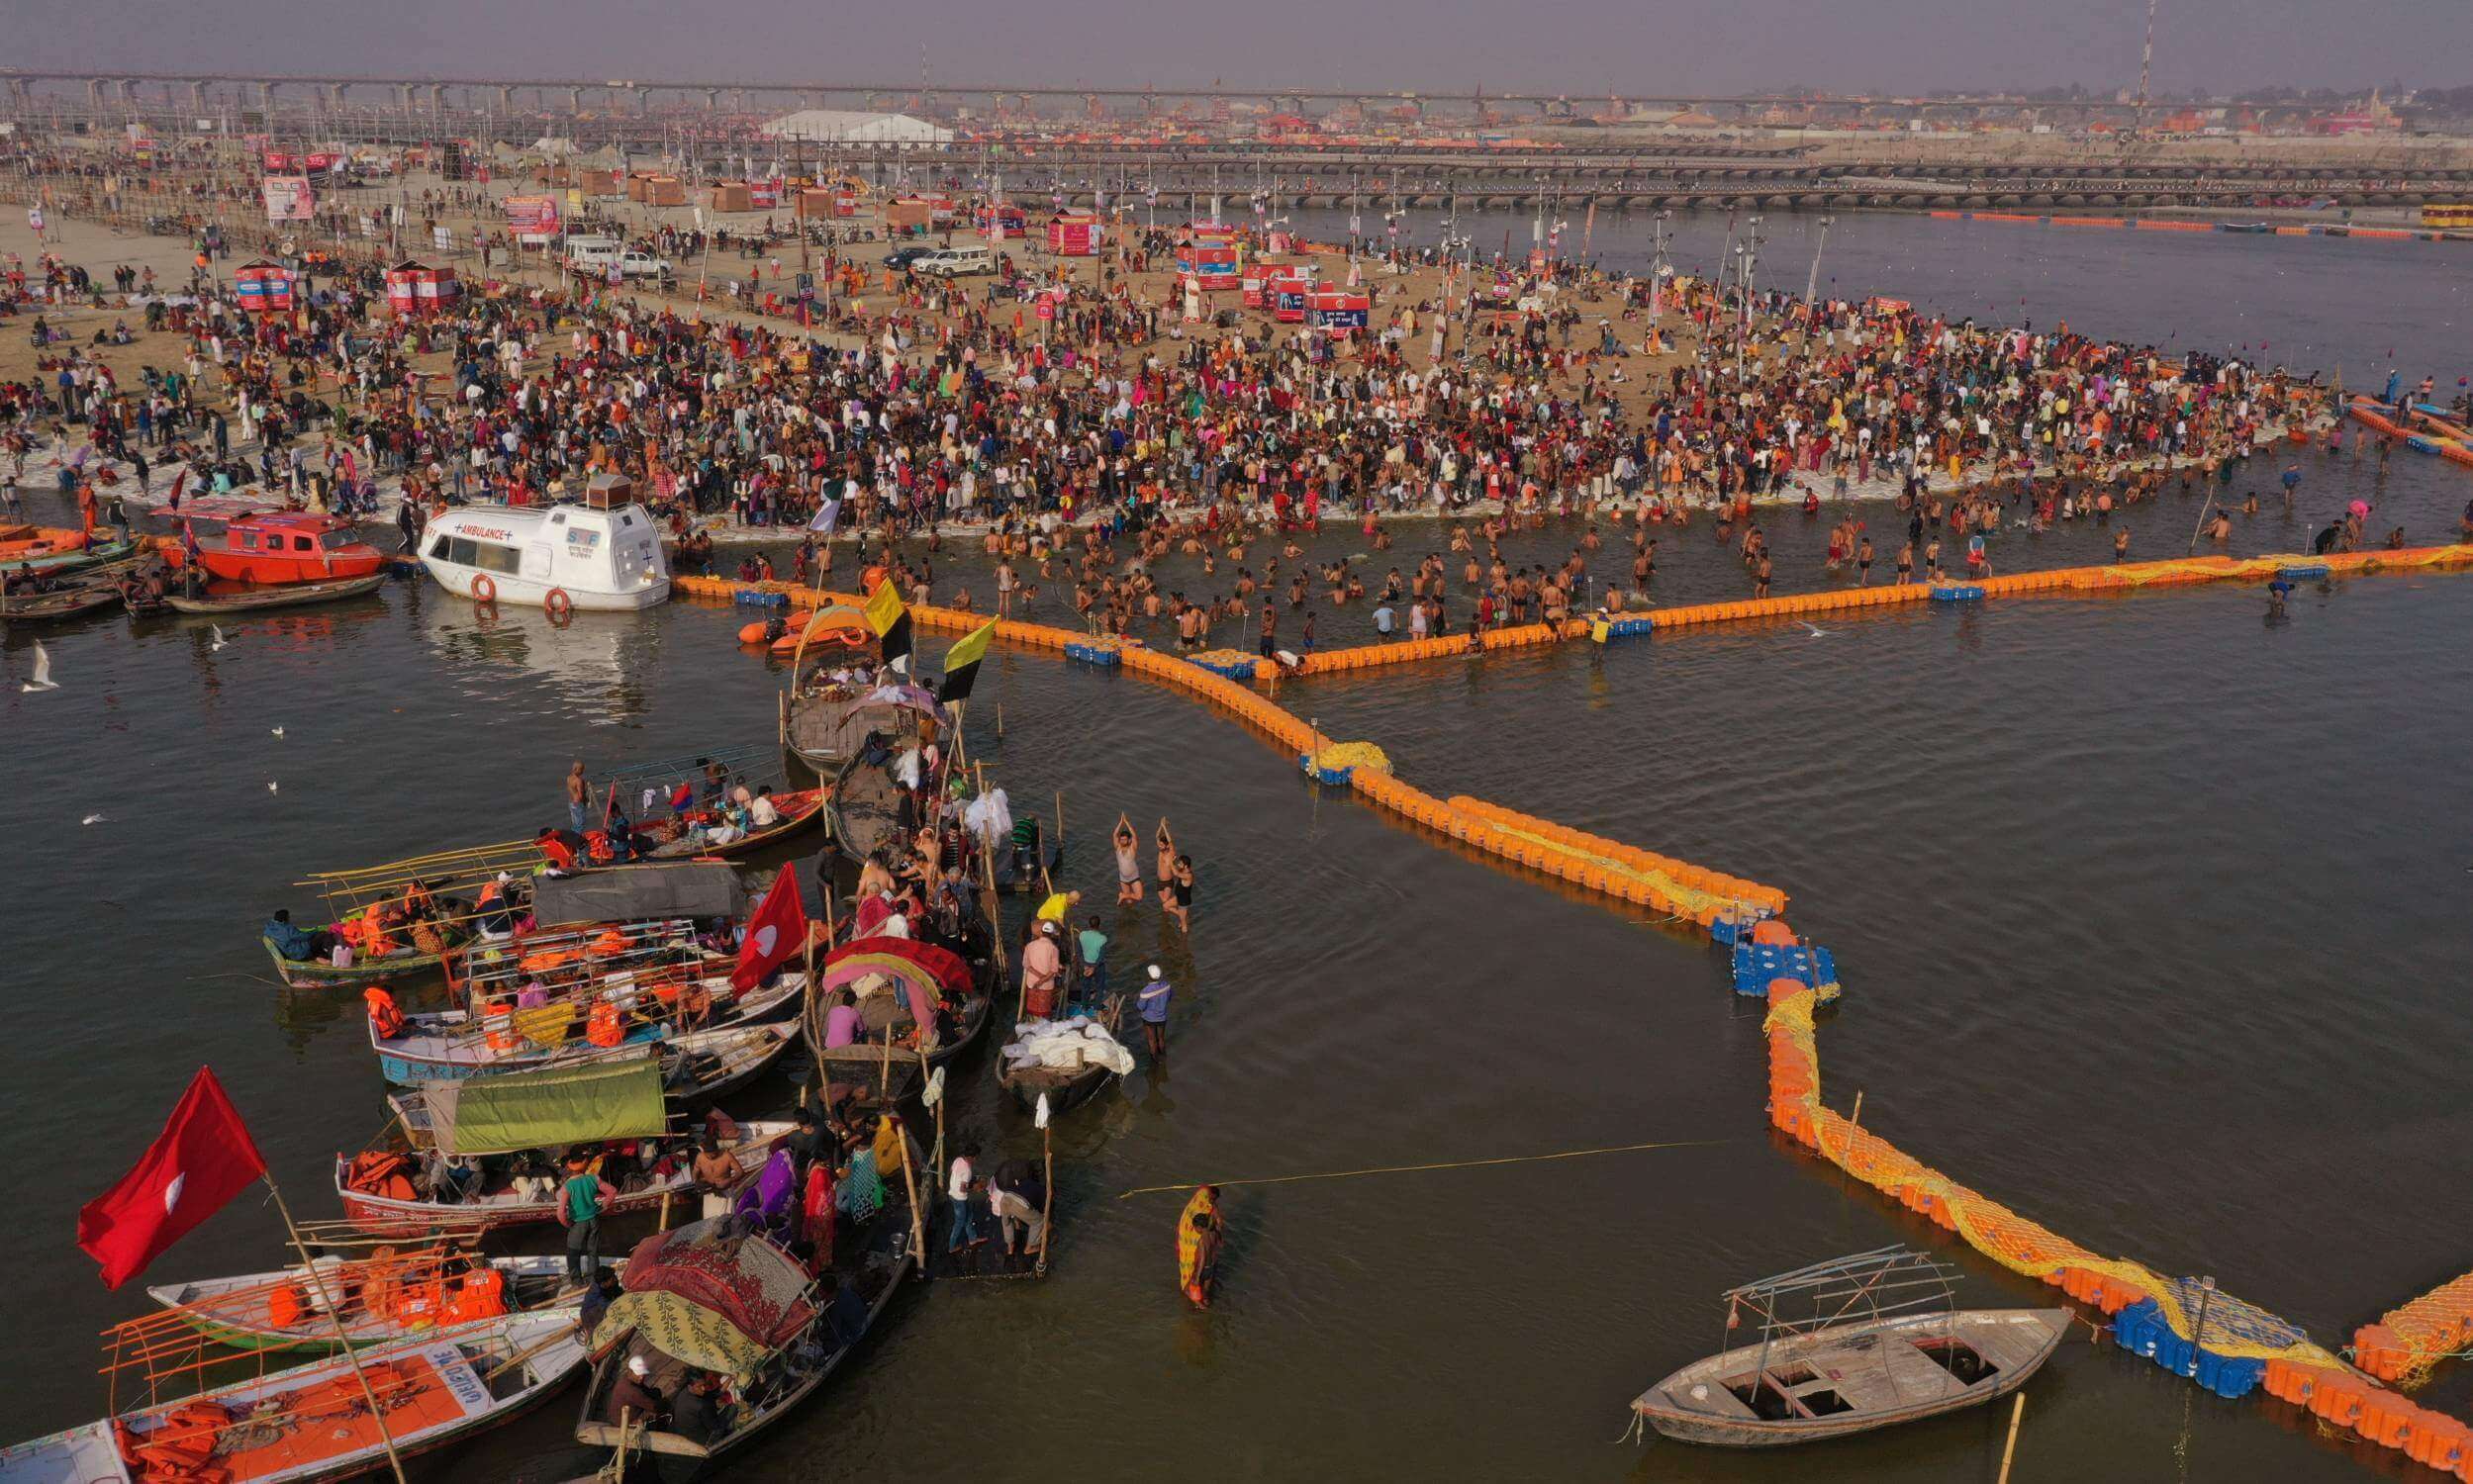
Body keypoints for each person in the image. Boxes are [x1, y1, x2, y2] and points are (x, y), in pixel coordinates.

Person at [559, 1153, 610, 1285]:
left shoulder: (567, 1186)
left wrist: (568, 1224)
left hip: (578, 1223)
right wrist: (602, 1207)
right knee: (592, 1251)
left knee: (573, 1253)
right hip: (594, 1219)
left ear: (569, 1168)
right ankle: (593, 1279)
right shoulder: (593, 1178)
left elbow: (560, 1213)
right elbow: (612, 1191)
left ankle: (577, 1282)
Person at [1177, 1185, 1221, 1305]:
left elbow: (1201, 1259)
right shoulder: (1213, 1234)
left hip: (1203, 1269)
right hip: (1212, 1267)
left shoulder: (1201, 1241)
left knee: (1188, 1290)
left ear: (1199, 1227)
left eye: (1195, 1227)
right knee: (1205, 1292)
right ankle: (1206, 1302)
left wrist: (1196, 1277)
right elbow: (1217, 1247)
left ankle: (1201, 1309)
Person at [946, 1146, 986, 1273]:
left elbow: (953, 1173)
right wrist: (974, 1187)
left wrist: (969, 1182)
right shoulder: (968, 1170)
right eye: (976, 1157)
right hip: (959, 1198)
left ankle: (972, 1239)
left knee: (969, 1216)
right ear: (972, 1157)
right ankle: (951, 1247)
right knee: (959, 1223)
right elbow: (963, 1188)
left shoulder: (958, 1160)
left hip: (952, 1194)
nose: (976, 1159)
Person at [605, 1353, 664, 1428]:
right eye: (638, 1374)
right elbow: (654, 1407)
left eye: (643, 1374)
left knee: (656, 1392)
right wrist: (664, 1403)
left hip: (616, 1417)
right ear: (630, 1371)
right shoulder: (632, 1391)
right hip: (624, 1423)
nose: (641, 1377)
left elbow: (643, 1389)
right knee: (656, 1411)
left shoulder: (625, 1378)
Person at [691, 1136, 740, 1220]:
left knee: (726, 1220)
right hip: (709, 1191)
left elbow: (740, 1172)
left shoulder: (727, 1156)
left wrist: (729, 1180)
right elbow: (695, 1171)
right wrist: (695, 1181)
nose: (711, 1157)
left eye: (713, 1154)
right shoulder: (700, 1157)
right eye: (708, 1155)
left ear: (717, 1150)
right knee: (709, 1220)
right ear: (704, 1152)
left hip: (725, 1192)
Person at [669, 1371, 724, 1445]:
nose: (703, 1388)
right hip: (703, 1440)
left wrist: (730, 1379)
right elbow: (714, 1428)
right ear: (690, 1386)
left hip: (687, 1436)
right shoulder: (700, 1405)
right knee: (732, 1409)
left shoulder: (684, 1392)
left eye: (704, 1385)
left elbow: (713, 1395)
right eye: (699, 1386)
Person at [1137, 964, 1172, 1060]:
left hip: (1149, 1019)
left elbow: (1140, 1006)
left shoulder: (1145, 991)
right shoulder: (1166, 985)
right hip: (1162, 1017)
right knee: (1161, 1038)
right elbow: (1169, 997)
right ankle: (1163, 1056)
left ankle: (1155, 1061)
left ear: (1149, 976)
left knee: (1151, 1040)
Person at [1077, 914, 1109, 1013]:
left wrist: (1084, 965)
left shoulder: (1082, 935)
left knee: (1085, 986)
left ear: (1089, 924)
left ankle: (1084, 1006)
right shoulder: (1103, 938)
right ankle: (1096, 1007)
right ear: (1099, 925)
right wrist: (1094, 968)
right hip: (1098, 967)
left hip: (1085, 965)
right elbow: (1101, 956)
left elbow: (1079, 952)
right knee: (1099, 987)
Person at [1112, 814, 1143, 903]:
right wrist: (1121, 822)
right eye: (1121, 839)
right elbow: (1114, 834)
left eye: (1124, 840)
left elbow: (1134, 836)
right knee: (1129, 902)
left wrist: (1127, 823)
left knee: (1139, 897)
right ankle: (1129, 914)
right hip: (1123, 879)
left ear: (1129, 840)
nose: (1122, 841)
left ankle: (1123, 895)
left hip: (1134, 877)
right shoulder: (1118, 848)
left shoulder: (1132, 848)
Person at [1164, 854, 1196, 934]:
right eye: (1179, 863)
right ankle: (1184, 917)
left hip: (1183, 901)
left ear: (1185, 866)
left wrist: (1171, 862)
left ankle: (1184, 940)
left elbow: (1176, 874)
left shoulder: (1188, 875)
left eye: (1180, 863)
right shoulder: (1183, 870)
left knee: (1183, 924)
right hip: (1178, 897)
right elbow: (1176, 870)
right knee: (1165, 906)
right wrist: (1174, 862)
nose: (1179, 864)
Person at [565, 761, 590, 833]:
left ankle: (573, 836)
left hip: (571, 802)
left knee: (575, 823)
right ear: (576, 769)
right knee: (580, 823)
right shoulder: (579, 780)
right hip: (578, 803)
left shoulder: (568, 778)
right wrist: (586, 800)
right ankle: (577, 838)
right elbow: (581, 794)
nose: (582, 771)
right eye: (581, 769)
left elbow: (570, 789)